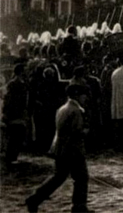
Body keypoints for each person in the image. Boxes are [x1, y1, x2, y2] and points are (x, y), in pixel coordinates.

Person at [26, 84, 91, 213]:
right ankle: (79, 206)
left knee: (58, 177)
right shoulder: (76, 110)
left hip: (60, 148)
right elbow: (76, 132)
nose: (85, 98)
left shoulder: (62, 108)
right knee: (82, 177)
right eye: (84, 95)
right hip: (73, 150)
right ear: (77, 95)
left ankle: (35, 198)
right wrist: (85, 131)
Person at [2, 63, 29, 167]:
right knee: (15, 135)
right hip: (15, 112)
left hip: (18, 112)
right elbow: (9, 99)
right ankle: (11, 157)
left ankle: (13, 156)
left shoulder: (20, 83)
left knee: (18, 135)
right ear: (21, 71)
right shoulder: (15, 84)